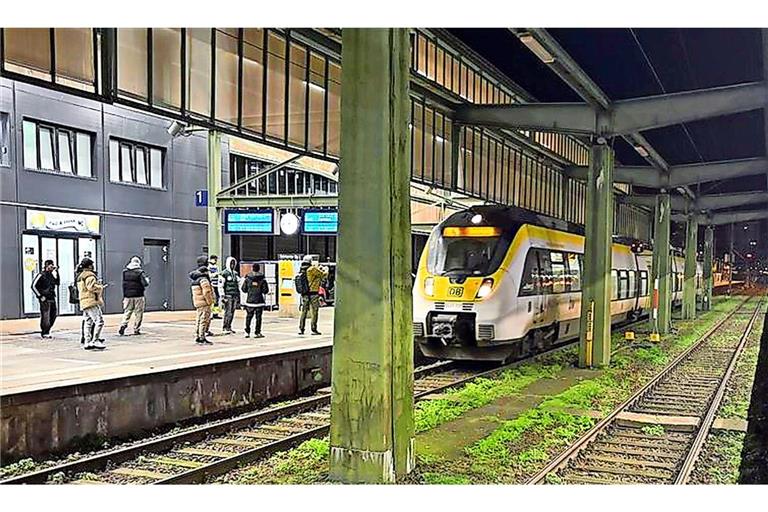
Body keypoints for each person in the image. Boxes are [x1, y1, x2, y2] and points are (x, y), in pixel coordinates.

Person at [76, 257, 106, 351]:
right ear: (89, 266)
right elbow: (91, 287)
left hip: (83, 301)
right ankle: (95, 340)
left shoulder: (80, 276)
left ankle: (87, 342)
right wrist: (100, 287)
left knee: (88, 322)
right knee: (99, 321)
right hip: (91, 301)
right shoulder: (90, 275)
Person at [119, 256, 150, 336]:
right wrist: (147, 280)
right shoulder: (140, 272)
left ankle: (123, 324)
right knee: (138, 312)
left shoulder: (125, 272)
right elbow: (145, 283)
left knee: (127, 311)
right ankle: (136, 329)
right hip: (138, 295)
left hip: (127, 295)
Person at [298, 255, 329, 335]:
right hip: (313, 293)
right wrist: (326, 269)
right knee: (314, 311)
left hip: (304, 293)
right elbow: (323, 275)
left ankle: (301, 329)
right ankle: (313, 329)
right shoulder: (312, 269)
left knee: (304, 311)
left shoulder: (302, 269)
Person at [31, 259, 60, 339]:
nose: (52, 267)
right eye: (51, 265)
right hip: (44, 298)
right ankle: (45, 332)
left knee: (53, 314)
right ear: (47, 266)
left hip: (52, 297)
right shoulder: (41, 275)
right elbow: (33, 286)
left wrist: (57, 272)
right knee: (45, 315)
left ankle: (48, 329)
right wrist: (40, 296)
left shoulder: (51, 275)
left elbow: (57, 283)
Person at [190, 255, 215, 345]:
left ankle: (198, 335)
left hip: (197, 302)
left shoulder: (195, 278)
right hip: (204, 302)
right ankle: (202, 337)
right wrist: (210, 301)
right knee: (204, 319)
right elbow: (207, 292)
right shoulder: (204, 279)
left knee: (199, 319)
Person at [241, 264, 269, 338]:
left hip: (250, 301)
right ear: (259, 269)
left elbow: (244, 289)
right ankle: (257, 332)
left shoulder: (247, 278)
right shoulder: (262, 279)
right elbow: (265, 290)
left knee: (248, 317)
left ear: (252, 269)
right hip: (259, 301)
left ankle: (247, 332)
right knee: (258, 318)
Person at [219, 256, 241, 334]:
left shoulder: (235, 273)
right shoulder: (224, 273)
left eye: (233, 263)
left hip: (234, 294)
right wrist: (222, 295)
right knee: (228, 312)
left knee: (232, 311)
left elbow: (239, 283)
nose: (232, 265)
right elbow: (221, 285)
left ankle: (229, 326)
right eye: (231, 263)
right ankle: (225, 326)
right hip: (227, 295)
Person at [208, 255, 222, 319]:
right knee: (212, 299)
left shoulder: (216, 267)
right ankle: (210, 314)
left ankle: (215, 313)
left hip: (217, 285)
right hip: (212, 285)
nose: (216, 261)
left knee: (217, 299)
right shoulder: (208, 267)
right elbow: (209, 275)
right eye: (215, 259)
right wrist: (215, 274)